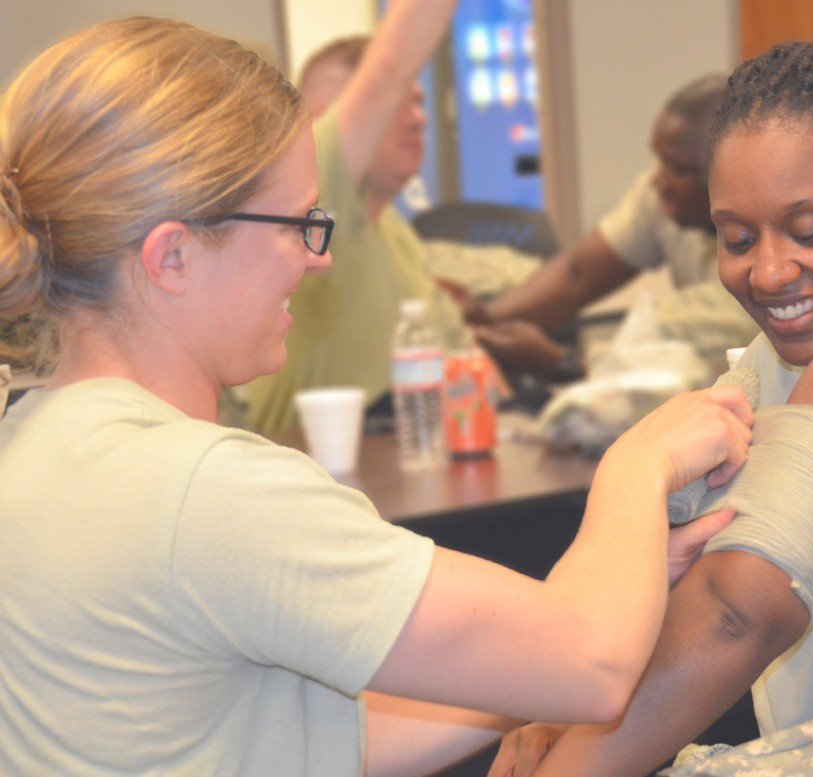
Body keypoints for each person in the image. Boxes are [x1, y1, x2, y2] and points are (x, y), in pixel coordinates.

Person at [0, 15, 758, 776]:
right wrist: (636, 464)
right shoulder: (203, 491)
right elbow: (593, 664)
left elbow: (303, 738)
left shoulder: (32, 440)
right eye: (296, 224)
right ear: (173, 255)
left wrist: (604, 589)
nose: (315, 258)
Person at [490, 39, 813, 776]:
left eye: (810, 231)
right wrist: (558, 707)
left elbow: (739, 607)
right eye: (737, 238)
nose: (768, 270)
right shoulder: (767, 368)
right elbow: (666, 577)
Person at [245, 4, 465, 435]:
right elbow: (388, 69)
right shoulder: (316, 202)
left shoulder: (394, 229)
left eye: (421, 103)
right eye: (400, 105)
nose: (419, 119)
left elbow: (463, 362)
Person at [446, 74, 759, 375]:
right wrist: (484, 321)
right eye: (660, 160)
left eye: (678, 168)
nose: (659, 181)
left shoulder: (762, 262)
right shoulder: (666, 199)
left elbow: (675, 369)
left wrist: (561, 364)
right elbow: (577, 274)